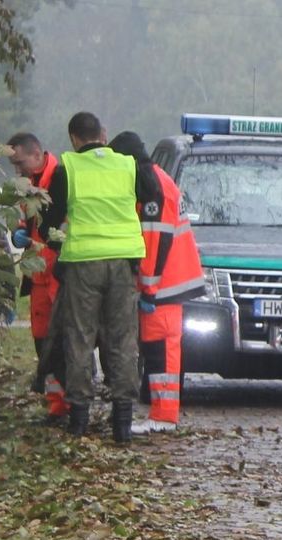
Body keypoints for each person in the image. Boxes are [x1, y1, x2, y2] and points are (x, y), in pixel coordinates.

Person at [39, 112, 158, 442]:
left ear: (74, 139)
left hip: (83, 265)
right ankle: (122, 422)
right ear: (103, 135)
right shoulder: (127, 166)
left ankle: (78, 419)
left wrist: (60, 241)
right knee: (122, 338)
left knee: (79, 337)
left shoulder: (68, 169)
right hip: (123, 263)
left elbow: (48, 225)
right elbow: (153, 194)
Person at [107, 131, 206, 434]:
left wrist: (147, 287)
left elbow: (154, 239)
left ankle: (163, 417)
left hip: (164, 284)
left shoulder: (153, 188)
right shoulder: (157, 180)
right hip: (169, 281)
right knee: (158, 349)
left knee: (162, 351)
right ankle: (161, 413)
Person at [6, 131, 68, 424]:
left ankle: (67, 403)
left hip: (56, 271)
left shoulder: (60, 177)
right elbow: (26, 218)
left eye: (19, 162)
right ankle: (55, 404)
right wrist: (20, 232)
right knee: (42, 341)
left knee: (60, 341)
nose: (17, 169)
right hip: (38, 272)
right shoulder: (29, 183)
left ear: (36, 153)